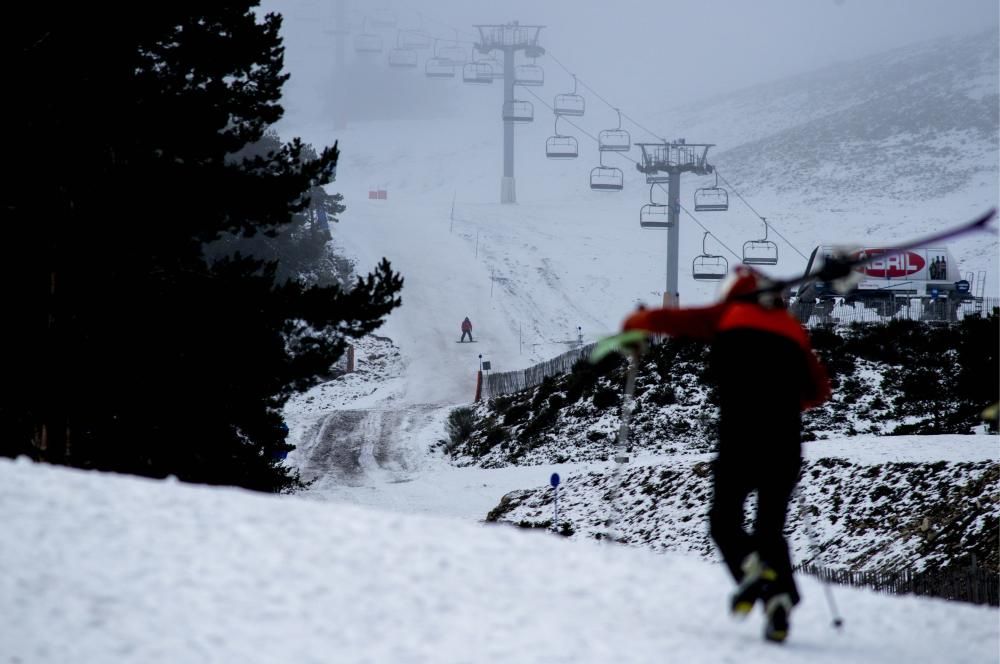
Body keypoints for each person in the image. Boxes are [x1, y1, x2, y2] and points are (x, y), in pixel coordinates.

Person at [620, 265, 831, 643]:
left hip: (741, 439)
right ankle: (779, 596)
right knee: (770, 530)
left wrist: (638, 319)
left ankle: (751, 572)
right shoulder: (794, 331)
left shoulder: (729, 314)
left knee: (723, 520)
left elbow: (674, 320)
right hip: (784, 443)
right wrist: (783, 400)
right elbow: (818, 392)